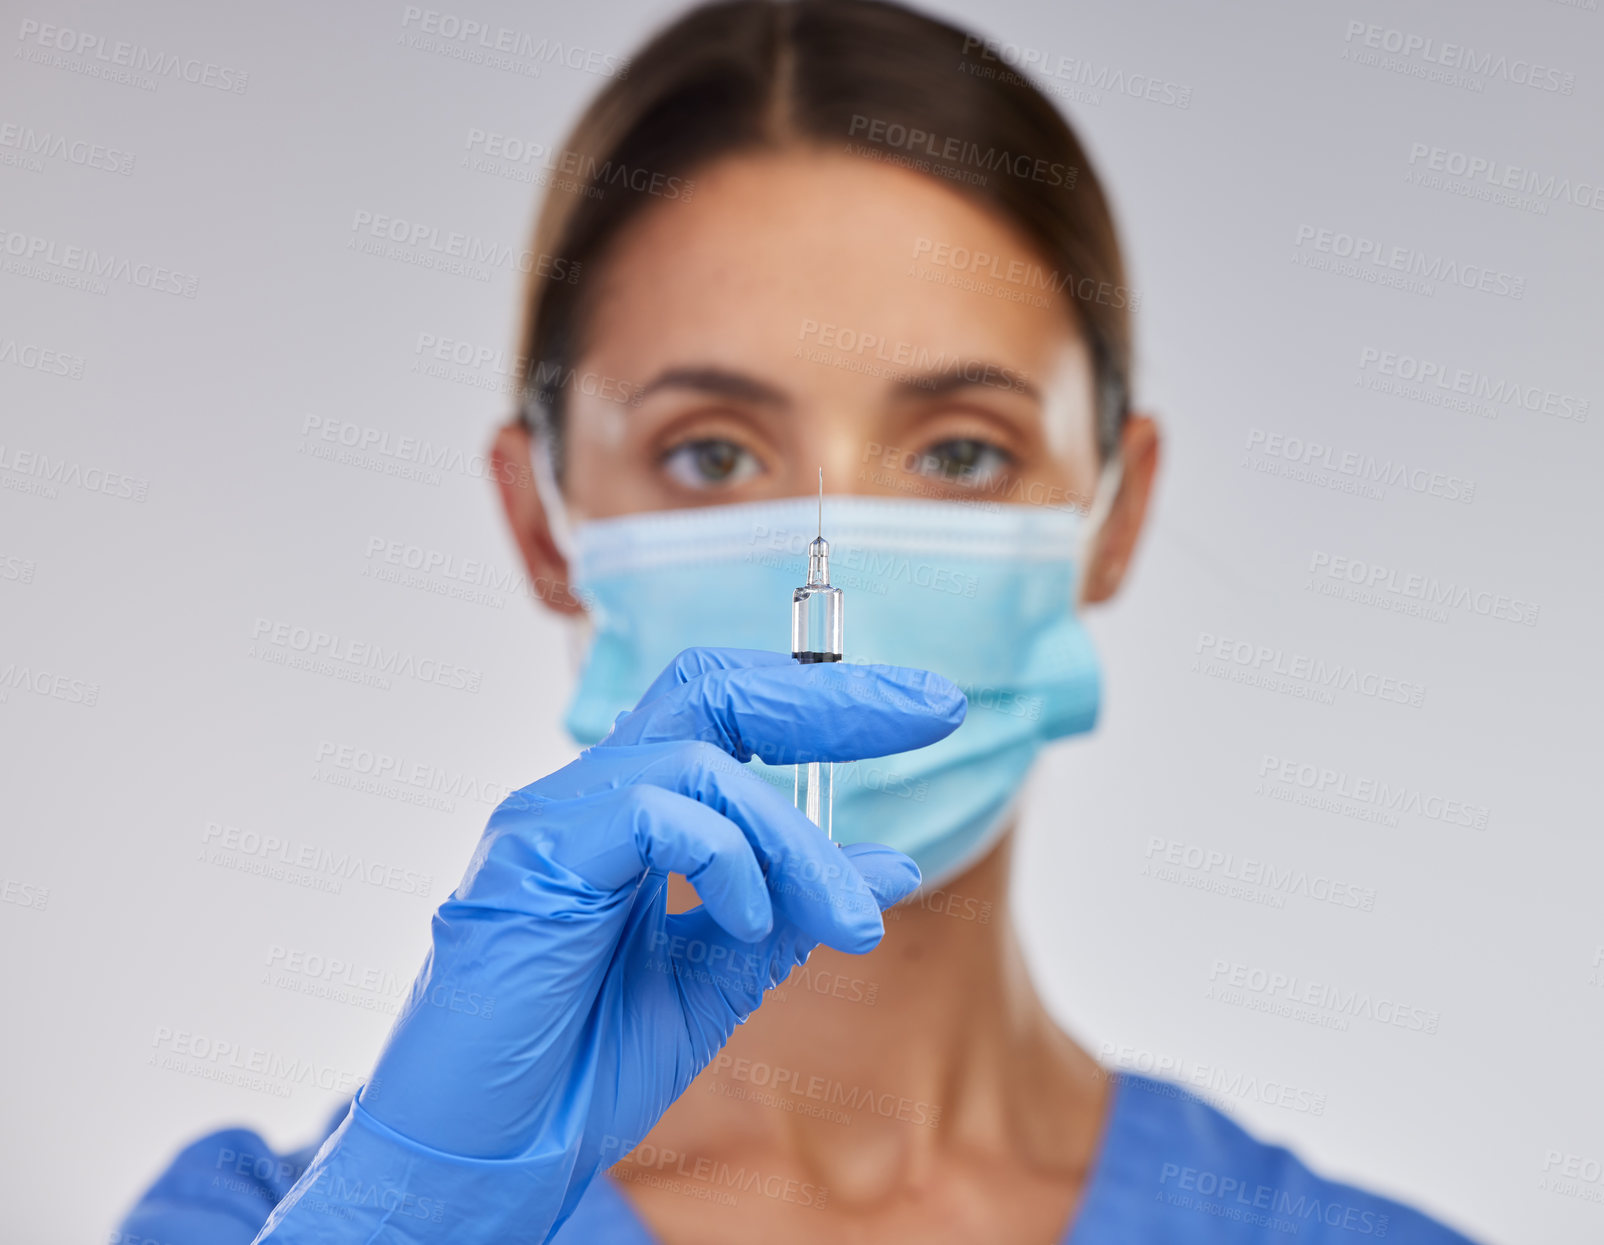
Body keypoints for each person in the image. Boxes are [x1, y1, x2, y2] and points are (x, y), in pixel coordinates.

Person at [114, 1, 1483, 1242]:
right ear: (542, 523)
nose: (837, 557)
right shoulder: (250, 1223)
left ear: (1116, 514)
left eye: (959, 451)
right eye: (712, 452)